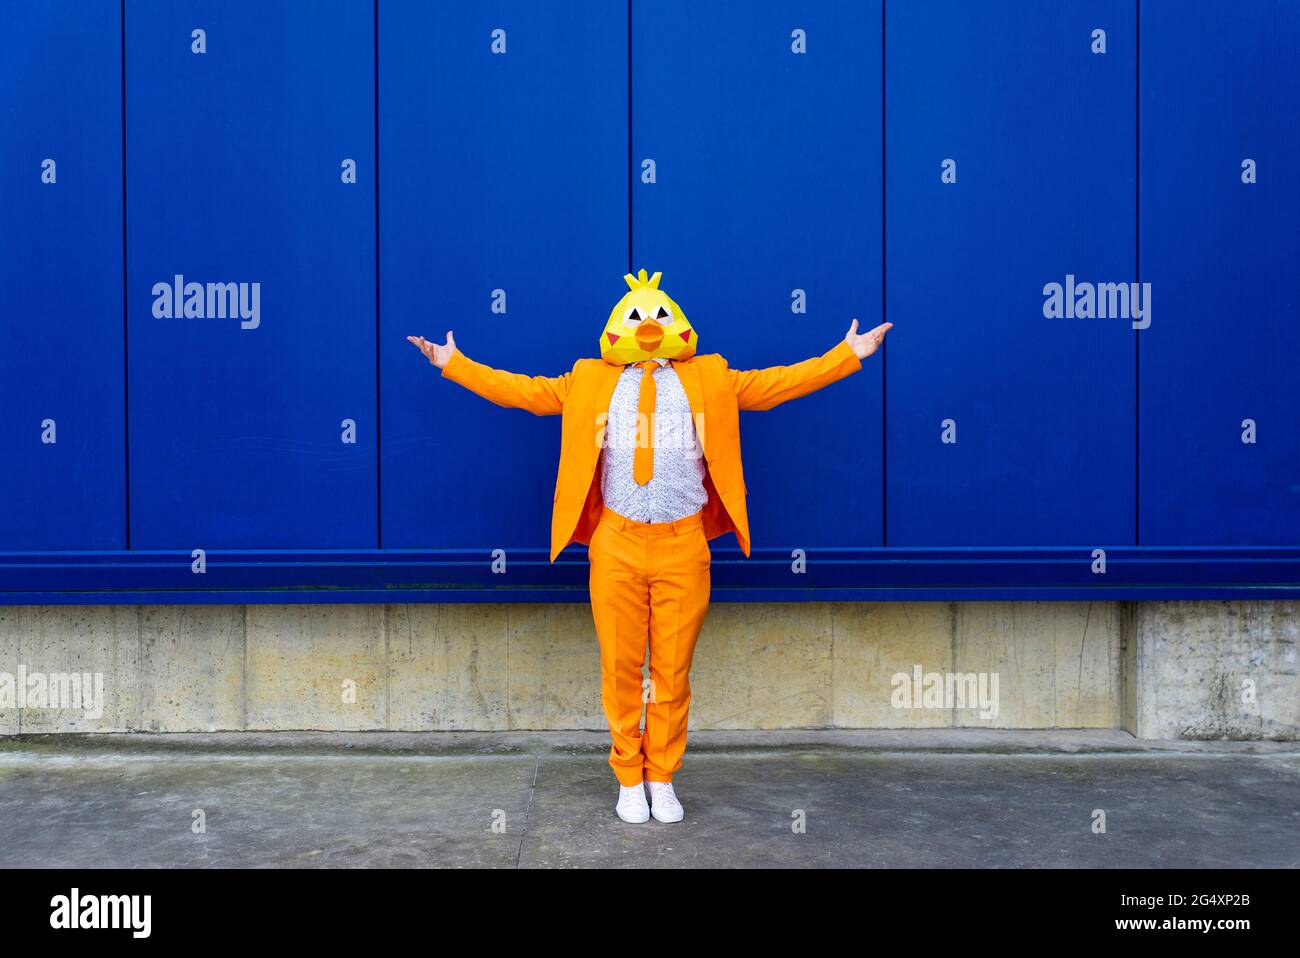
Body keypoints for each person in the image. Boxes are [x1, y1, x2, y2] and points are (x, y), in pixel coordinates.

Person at [409, 269, 890, 824]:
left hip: (683, 544)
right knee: (620, 666)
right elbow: (524, 392)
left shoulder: (711, 377)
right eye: (635, 316)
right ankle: (627, 776)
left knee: (672, 671)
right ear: (615, 327)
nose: (647, 326)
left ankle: (661, 776)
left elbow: (778, 384)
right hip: (615, 542)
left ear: (678, 323)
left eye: (658, 315)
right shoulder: (588, 379)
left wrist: (847, 354)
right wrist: (454, 364)